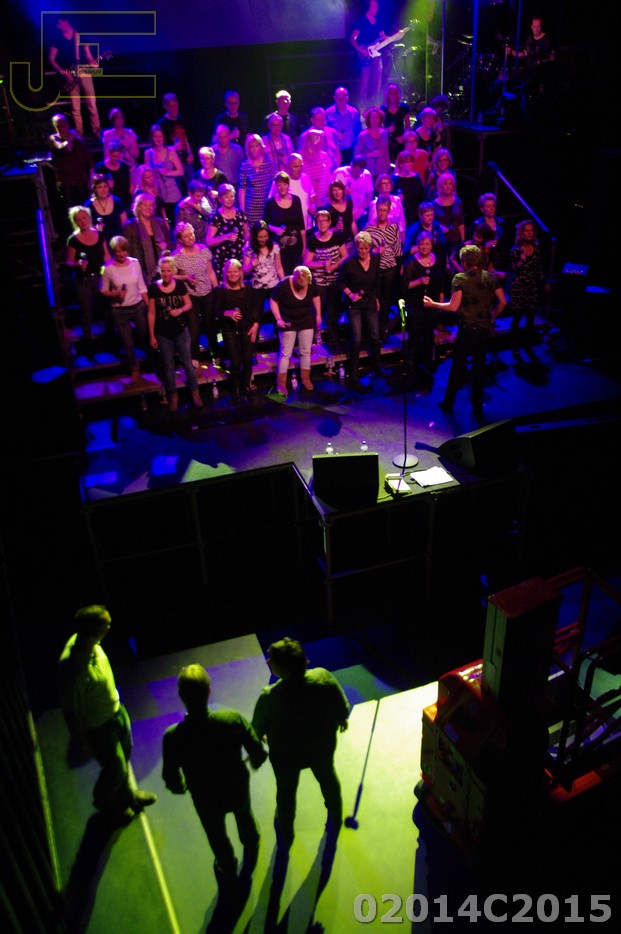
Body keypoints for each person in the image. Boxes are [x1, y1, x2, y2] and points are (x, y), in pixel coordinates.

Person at [162, 663, 267, 882]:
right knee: (244, 814)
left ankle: (227, 863)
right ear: (209, 691)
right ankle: (251, 840)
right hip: (236, 788)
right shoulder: (232, 719)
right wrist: (255, 762)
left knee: (215, 833)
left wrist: (182, 787)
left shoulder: (173, 737)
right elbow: (258, 751)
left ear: (181, 696)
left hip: (205, 798)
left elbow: (171, 777)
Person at [58, 605, 157, 821]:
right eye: (106, 624)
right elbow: (71, 710)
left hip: (116, 711)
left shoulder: (92, 644)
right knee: (115, 769)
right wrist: (82, 742)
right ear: (93, 630)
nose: (110, 627)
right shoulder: (73, 669)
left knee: (125, 756)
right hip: (99, 727)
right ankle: (106, 802)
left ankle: (128, 796)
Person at [252, 637, 350, 846]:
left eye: (272, 659)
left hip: (286, 758)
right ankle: (335, 813)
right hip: (321, 748)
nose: (268, 662)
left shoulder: (269, 697)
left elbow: (256, 730)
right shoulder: (323, 677)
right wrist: (341, 719)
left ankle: (286, 829)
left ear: (282, 668)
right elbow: (342, 707)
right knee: (328, 778)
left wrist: (260, 739)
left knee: (286, 792)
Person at [424, 244, 506, 420]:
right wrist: (492, 316)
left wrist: (432, 304)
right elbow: (503, 302)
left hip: (467, 330)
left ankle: (448, 403)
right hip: (484, 330)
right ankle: (477, 408)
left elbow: (453, 306)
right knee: (479, 369)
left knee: (458, 367)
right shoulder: (490, 277)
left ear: (465, 261)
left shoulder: (460, 278)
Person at [147, 255, 204, 411]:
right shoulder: (154, 288)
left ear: (172, 271)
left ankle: (195, 393)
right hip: (163, 333)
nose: (166, 274)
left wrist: (179, 310)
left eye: (168, 270)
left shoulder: (179, 285)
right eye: (163, 271)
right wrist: (152, 335)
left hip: (180, 330)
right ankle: (173, 396)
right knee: (169, 367)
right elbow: (151, 313)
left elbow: (189, 304)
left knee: (188, 364)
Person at [100, 235, 149, 382]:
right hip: (120, 310)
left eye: (123, 251)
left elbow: (142, 286)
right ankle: (134, 368)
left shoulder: (135, 263)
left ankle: (150, 363)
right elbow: (103, 290)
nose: (121, 254)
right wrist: (116, 294)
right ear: (113, 251)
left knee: (144, 336)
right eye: (118, 251)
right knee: (127, 342)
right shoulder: (107, 268)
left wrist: (149, 306)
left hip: (138, 306)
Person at [338, 230, 383, 384]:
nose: (363, 251)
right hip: (354, 303)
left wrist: (377, 298)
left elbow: (377, 281)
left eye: (365, 248)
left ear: (370, 247)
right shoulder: (349, 263)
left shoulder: (375, 259)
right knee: (356, 337)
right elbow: (340, 283)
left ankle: (378, 367)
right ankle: (353, 371)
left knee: (375, 335)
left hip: (370, 301)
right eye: (360, 248)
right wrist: (350, 294)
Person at [172, 221, 219, 365]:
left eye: (191, 234)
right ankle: (195, 356)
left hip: (207, 293)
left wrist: (217, 289)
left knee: (210, 325)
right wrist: (185, 277)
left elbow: (210, 272)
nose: (190, 237)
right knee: (194, 329)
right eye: (186, 236)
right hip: (190, 296)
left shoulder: (204, 250)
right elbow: (171, 276)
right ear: (180, 240)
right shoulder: (177, 256)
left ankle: (215, 353)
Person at [270, 266, 322, 396]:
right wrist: (278, 318)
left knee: (305, 351)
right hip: (288, 321)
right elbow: (273, 301)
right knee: (285, 353)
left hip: (306, 320)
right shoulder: (283, 285)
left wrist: (318, 314)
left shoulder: (311, 282)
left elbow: (316, 297)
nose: (303, 287)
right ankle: (281, 383)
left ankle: (306, 379)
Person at [213, 258, 260, 402]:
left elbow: (255, 309)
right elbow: (214, 311)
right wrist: (226, 313)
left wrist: (255, 325)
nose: (232, 274)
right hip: (229, 331)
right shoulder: (221, 290)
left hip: (247, 329)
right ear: (225, 274)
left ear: (240, 273)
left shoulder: (248, 289)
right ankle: (235, 389)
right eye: (230, 272)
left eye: (235, 271)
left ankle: (245, 387)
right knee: (235, 362)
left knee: (247, 360)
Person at [66, 205, 110, 353]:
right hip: (83, 280)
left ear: (89, 218)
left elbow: (107, 256)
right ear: (75, 222)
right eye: (78, 219)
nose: (82, 221)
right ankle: (88, 345)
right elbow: (69, 262)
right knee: (86, 311)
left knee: (107, 309)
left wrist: (109, 273)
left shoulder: (100, 235)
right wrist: (77, 264)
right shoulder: (73, 240)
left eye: (84, 217)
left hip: (100, 277)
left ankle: (110, 341)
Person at [48, 16, 101, 138]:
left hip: (84, 71)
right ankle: (79, 136)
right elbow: (51, 59)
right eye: (57, 25)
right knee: (75, 108)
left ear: (66, 21)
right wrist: (63, 72)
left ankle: (97, 132)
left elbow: (88, 55)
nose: (58, 26)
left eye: (59, 23)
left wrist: (93, 62)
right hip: (69, 75)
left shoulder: (80, 35)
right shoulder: (57, 39)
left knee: (92, 105)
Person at [402, 230, 445, 377]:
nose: (424, 247)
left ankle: (427, 360)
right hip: (416, 303)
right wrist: (419, 281)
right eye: (421, 244)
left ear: (432, 245)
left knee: (429, 333)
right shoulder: (412, 262)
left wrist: (440, 301)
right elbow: (404, 285)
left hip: (432, 303)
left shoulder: (437, 259)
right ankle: (411, 362)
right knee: (415, 332)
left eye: (427, 244)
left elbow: (440, 281)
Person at [303, 209, 348, 344]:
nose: (321, 223)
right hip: (319, 281)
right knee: (319, 309)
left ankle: (333, 338)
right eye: (319, 221)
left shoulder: (337, 237)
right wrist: (322, 265)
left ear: (329, 222)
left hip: (334, 280)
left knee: (334, 310)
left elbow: (345, 257)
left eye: (324, 221)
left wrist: (334, 266)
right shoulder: (313, 239)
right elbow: (307, 263)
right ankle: (316, 336)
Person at [365, 195, 402, 341]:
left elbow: (398, 248)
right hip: (375, 268)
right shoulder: (369, 228)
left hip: (390, 268)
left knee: (386, 300)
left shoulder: (394, 227)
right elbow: (363, 249)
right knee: (375, 299)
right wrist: (374, 251)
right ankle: (372, 331)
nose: (382, 213)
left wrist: (401, 266)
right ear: (376, 209)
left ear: (389, 211)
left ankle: (382, 330)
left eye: (384, 210)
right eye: (379, 210)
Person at [508, 219, 548, 353]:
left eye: (531, 230)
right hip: (518, 287)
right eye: (527, 230)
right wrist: (520, 261)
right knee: (517, 317)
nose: (529, 233)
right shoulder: (515, 250)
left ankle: (527, 343)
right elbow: (512, 269)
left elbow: (539, 268)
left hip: (531, 286)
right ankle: (514, 345)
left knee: (531, 317)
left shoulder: (537, 249)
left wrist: (544, 282)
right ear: (521, 233)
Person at [48, 113, 93, 216]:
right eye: (58, 126)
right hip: (66, 182)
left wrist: (91, 179)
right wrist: (70, 138)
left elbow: (89, 160)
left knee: (85, 207)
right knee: (71, 210)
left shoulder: (78, 140)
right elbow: (63, 149)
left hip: (81, 180)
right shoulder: (54, 139)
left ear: (67, 125)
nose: (61, 128)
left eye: (63, 125)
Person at [263, 171, 306, 276]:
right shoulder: (270, 203)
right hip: (279, 250)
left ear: (288, 185)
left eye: (284, 184)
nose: (282, 187)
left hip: (296, 248)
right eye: (279, 185)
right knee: (283, 277)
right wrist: (274, 229)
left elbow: (301, 226)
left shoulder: (296, 200)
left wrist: (304, 247)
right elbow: (264, 224)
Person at [349, 0, 389, 113]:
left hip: (377, 55)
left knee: (377, 83)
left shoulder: (379, 21)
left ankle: (376, 107)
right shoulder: (362, 20)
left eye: (376, 7)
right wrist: (360, 50)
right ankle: (362, 109)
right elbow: (353, 38)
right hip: (365, 55)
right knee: (364, 83)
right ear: (369, 7)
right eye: (373, 7)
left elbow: (383, 37)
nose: (375, 9)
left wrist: (394, 37)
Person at [123, 192, 171, 284]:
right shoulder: (130, 227)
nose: (148, 208)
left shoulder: (160, 223)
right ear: (138, 207)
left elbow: (170, 243)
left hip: (162, 269)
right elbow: (128, 251)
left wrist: (166, 246)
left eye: (151, 205)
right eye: (145, 205)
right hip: (141, 271)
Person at [206, 182, 249, 281]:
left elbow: (247, 234)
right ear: (220, 199)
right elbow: (209, 241)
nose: (230, 199)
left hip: (239, 257)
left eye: (232, 196)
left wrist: (246, 248)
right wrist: (225, 237)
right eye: (226, 197)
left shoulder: (240, 214)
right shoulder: (216, 217)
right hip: (223, 260)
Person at [243, 220, 285, 322]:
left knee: (277, 315)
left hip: (274, 286)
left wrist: (284, 283)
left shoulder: (274, 247)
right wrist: (251, 265)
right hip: (257, 288)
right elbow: (245, 271)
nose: (263, 239)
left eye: (265, 236)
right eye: (260, 237)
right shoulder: (249, 249)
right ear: (255, 237)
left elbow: (279, 267)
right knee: (257, 316)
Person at [143, 124, 185, 225]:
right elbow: (147, 173)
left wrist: (168, 173)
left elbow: (181, 171)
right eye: (156, 137)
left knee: (173, 221)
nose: (158, 139)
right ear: (152, 138)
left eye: (160, 136)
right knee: (160, 222)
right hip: (156, 192)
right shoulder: (148, 153)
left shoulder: (171, 152)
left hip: (172, 192)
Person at [238, 135, 276, 227]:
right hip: (251, 209)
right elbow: (242, 189)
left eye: (256, 146)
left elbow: (275, 185)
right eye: (251, 146)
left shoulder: (269, 163)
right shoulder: (245, 165)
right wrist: (242, 211)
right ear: (248, 149)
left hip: (267, 206)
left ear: (261, 147)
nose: (254, 149)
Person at [157, 92, 195, 182]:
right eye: (171, 106)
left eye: (175, 105)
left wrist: (190, 153)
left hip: (185, 160)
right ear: (165, 107)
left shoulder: (180, 119)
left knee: (193, 185)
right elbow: (160, 145)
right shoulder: (162, 123)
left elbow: (185, 138)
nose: (174, 109)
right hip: (173, 163)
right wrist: (173, 148)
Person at [332, 156, 374, 228]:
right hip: (342, 212)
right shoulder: (340, 173)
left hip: (360, 213)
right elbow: (330, 193)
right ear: (351, 165)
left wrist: (361, 209)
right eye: (356, 172)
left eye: (360, 173)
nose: (357, 175)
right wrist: (343, 193)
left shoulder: (366, 174)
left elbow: (369, 194)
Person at [85, 174, 128, 246]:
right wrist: (95, 229)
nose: (103, 190)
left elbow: (125, 223)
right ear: (94, 189)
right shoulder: (89, 205)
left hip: (118, 242)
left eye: (105, 186)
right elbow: (86, 228)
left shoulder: (117, 201)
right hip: (99, 243)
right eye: (99, 187)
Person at [325, 86, 362, 166]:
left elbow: (358, 132)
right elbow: (326, 134)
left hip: (351, 151)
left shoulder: (354, 112)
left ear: (347, 97)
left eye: (344, 96)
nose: (341, 99)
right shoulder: (328, 113)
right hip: (334, 152)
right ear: (335, 98)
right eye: (339, 97)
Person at [367, 174, 406, 244]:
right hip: (381, 239)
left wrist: (403, 236)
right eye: (384, 183)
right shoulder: (374, 204)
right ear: (379, 186)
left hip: (396, 238)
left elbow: (401, 220)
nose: (387, 185)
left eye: (388, 183)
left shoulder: (397, 200)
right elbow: (372, 224)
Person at [174, 179, 216, 244]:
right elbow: (180, 227)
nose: (200, 198)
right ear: (190, 194)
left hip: (205, 239)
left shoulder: (204, 202)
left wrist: (196, 206)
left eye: (202, 195)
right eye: (197, 196)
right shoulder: (183, 207)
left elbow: (211, 214)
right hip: (191, 241)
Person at [299, 129, 333, 210]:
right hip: (308, 198)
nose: (319, 142)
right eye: (317, 139)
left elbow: (329, 176)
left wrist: (329, 190)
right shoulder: (301, 158)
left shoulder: (324, 156)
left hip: (323, 198)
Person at [94, 143, 134, 212]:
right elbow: (95, 186)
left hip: (125, 201)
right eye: (113, 156)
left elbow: (131, 184)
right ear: (109, 154)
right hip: (108, 200)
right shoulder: (100, 168)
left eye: (118, 156)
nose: (116, 158)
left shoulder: (124, 166)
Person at [355, 107, 391, 181]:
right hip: (368, 170)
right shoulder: (363, 135)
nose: (375, 120)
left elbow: (386, 152)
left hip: (382, 170)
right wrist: (370, 154)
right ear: (369, 120)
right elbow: (357, 155)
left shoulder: (384, 133)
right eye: (373, 118)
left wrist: (389, 168)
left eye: (377, 118)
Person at [391, 151, 425, 229]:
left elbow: (422, 196)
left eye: (411, 161)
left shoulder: (416, 178)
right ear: (401, 164)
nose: (410, 164)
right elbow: (391, 198)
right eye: (407, 162)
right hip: (401, 214)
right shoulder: (394, 179)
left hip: (415, 213)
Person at [323, 178, 358, 251]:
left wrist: (357, 239)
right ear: (331, 192)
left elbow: (352, 222)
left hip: (349, 242)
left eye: (339, 189)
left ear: (343, 190)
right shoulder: (328, 208)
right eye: (334, 190)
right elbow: (324, 230)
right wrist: (335, 229)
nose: (337, 192)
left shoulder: (349, 201)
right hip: (336, 244)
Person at [381, 83, 412, 163]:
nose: (393, 96)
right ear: (387, 95)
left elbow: (408, 126)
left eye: (395, 93)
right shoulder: (383, 109)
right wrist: (387, 130)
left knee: (401, 162)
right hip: (387, 141)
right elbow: (379, 128)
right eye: (391, 93)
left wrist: (404, 137)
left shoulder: (404, 108)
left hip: (401, 141)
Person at [134, 165, 170, 230]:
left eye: (152, 176)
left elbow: (162, 208)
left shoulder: (156, 188)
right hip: (149, 223)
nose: (151, 179)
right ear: (142, 179)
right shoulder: (140, 193)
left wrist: (166, 221)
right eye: (147, 177)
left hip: (160, 222)